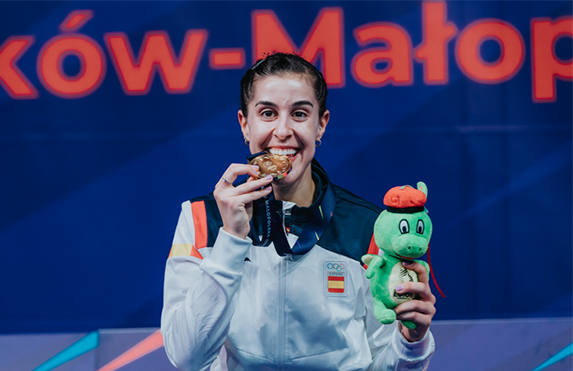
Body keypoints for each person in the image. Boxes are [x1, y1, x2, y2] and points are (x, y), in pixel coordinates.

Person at [161, 53, 436, 371]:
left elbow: (385, 362)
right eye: (267, 113)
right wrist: (231, 239)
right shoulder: (200, 218)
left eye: (300, 114)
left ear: (321, 124)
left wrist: (411, 342)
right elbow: (186, 357)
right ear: (244, 124)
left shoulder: (370, 227)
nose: (282, 130)